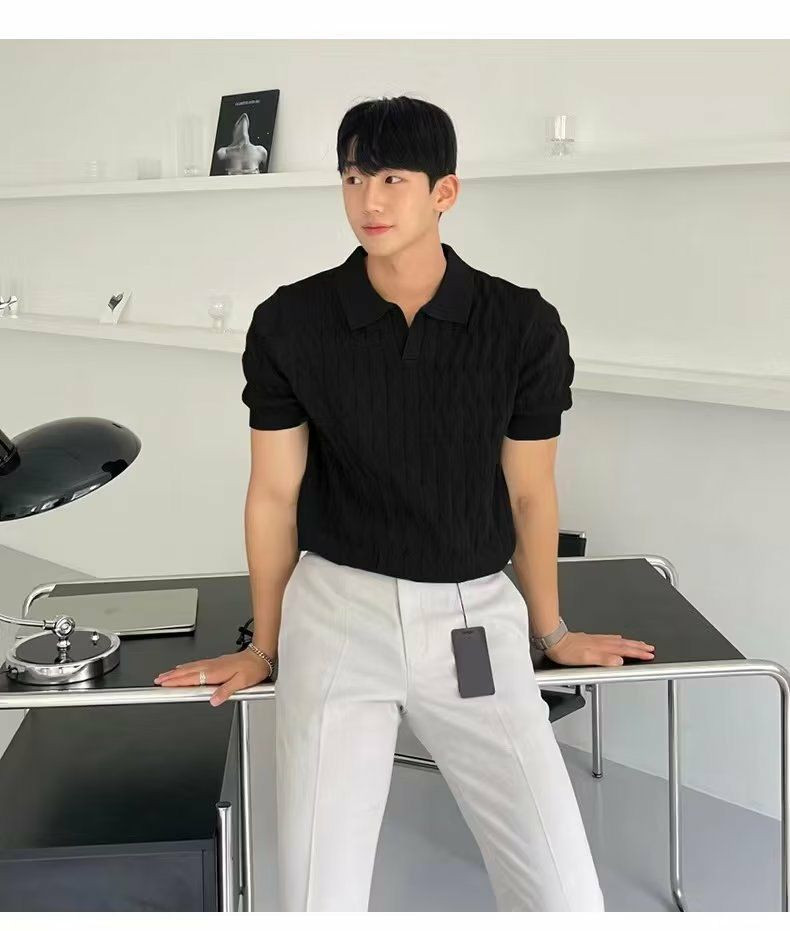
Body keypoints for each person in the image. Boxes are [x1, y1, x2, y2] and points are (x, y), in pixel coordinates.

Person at [154, 95, 655, 911]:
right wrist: (267, 646)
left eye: (391, 178)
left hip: (471, 622)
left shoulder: (520, 326)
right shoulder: (291, 322)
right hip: (337, 619)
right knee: (319, 900)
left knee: (564, 897)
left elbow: (530, 492)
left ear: (444, 192)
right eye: (353, 178)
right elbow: (273, 494)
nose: (369, 200)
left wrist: (552, 631)